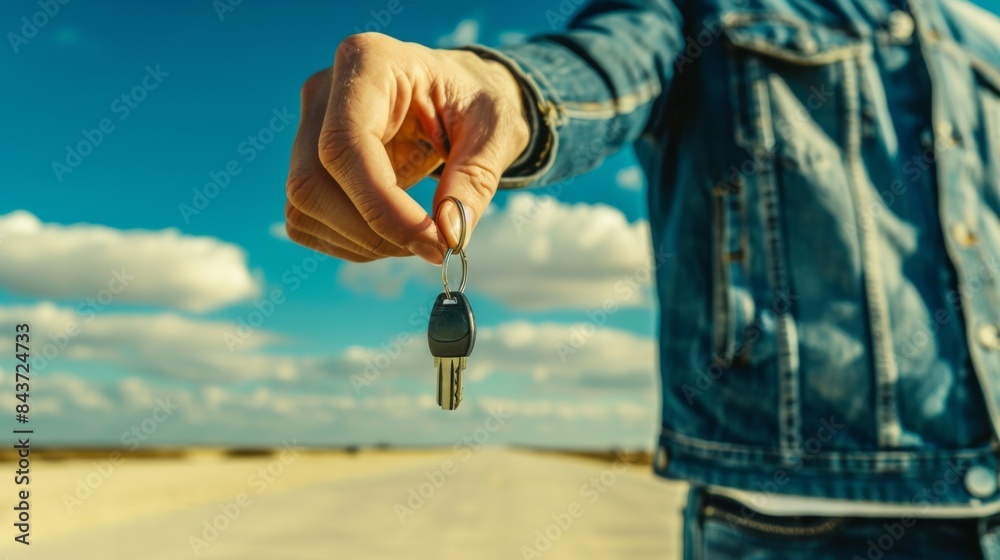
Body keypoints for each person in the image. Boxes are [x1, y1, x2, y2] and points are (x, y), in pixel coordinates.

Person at [282, 0, 1000, 557]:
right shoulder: (700, 10)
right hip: (795, 522)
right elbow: (592, 71)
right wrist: (491, 85)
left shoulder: (981, 35)